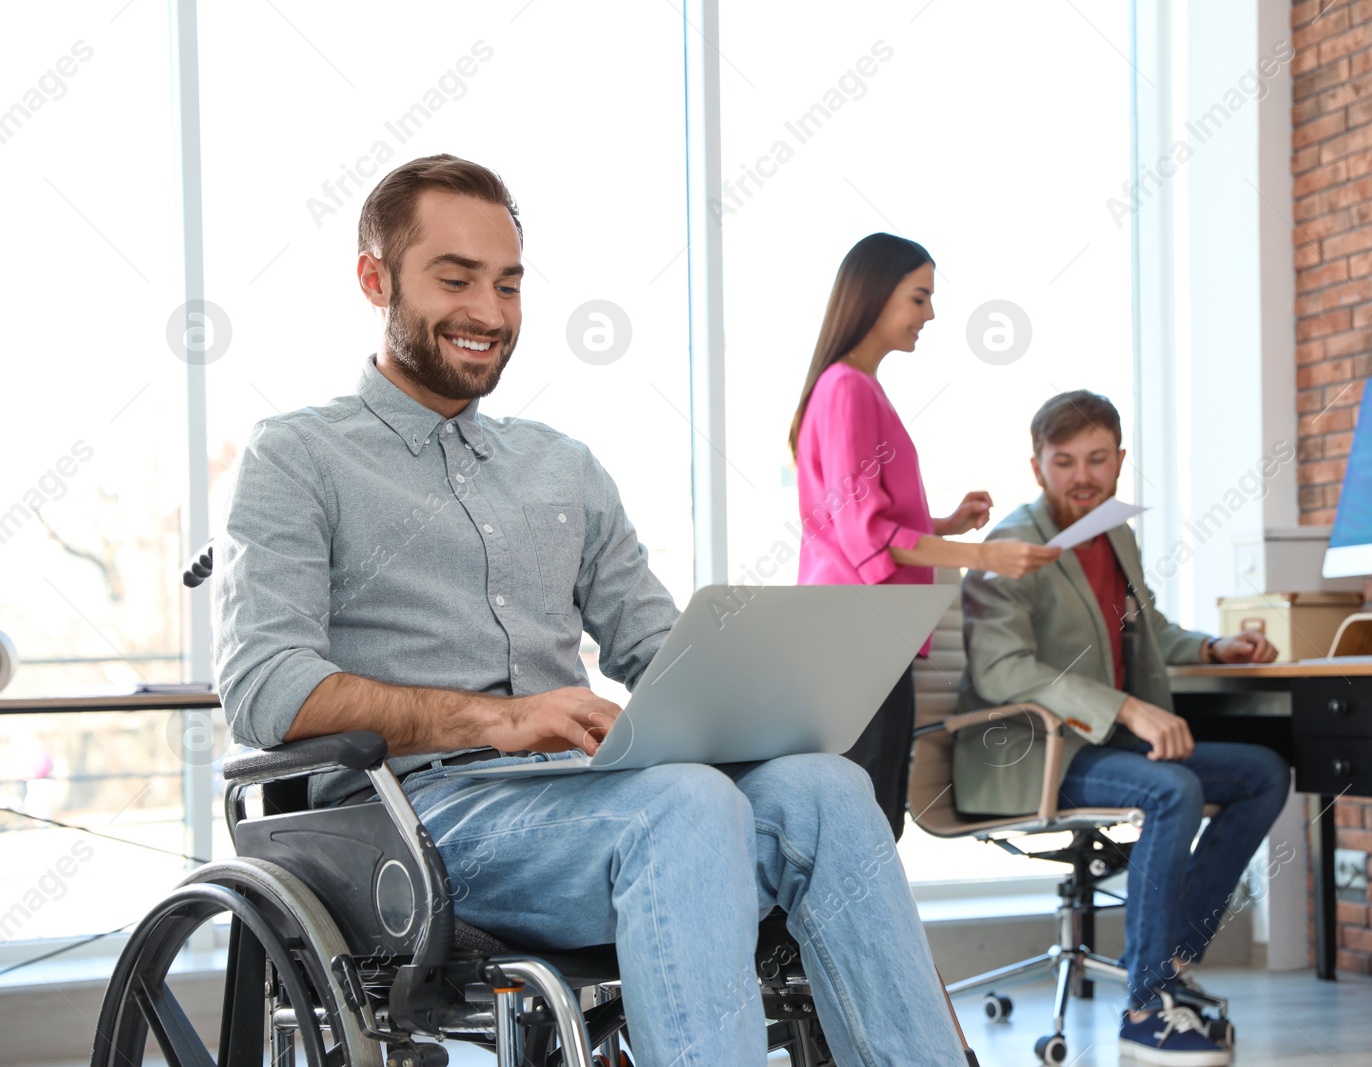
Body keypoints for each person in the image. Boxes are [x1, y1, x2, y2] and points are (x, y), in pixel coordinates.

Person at [212, 155, 969, 1067]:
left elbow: (655, 647)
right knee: (685, 804)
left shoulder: (561, 466)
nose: (489, 313)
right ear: (375, 279)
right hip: (412, 823)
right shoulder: (297, 456)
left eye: (508, 283)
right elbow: (264, 687)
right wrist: (498, 719)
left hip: (590, 797)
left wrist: (774, 690)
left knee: (828, 790)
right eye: (454, 279)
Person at [953, 390, 1290, 1066]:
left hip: (1097, 743)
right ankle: (1143, 1007)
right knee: (1172, 789)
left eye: (1098, 459)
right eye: (1065, 460)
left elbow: (1146, 626)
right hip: (1033, 751)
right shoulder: (1015, 543)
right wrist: (1127, 708)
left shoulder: (1113, 532)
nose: (1083, 475)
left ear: (1120, 460)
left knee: (1262, 773)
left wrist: (1211, 647)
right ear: (1037, 466)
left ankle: (1166, 961)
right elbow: (1001, 668)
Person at [790, 233, 1060, 838]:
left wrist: (944, 525)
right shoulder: (847, 389)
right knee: (865, 825)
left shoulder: (854, 387)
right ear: (876, 295)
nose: (930, 314)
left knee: (874, 818)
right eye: (920, 297)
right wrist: (985, 553)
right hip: (856, 639)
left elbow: (857, 522)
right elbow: (872, 539)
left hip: (868, 636)